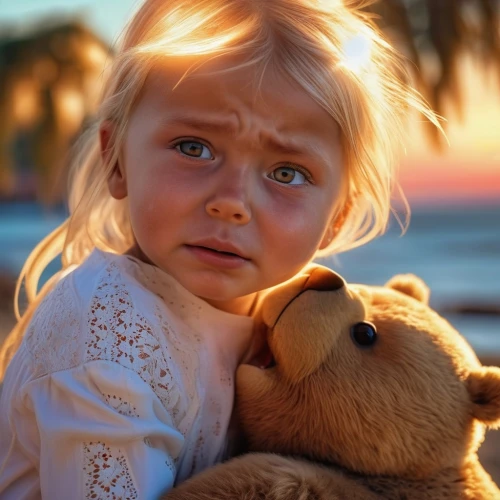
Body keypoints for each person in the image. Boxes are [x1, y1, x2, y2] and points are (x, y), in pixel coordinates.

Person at [0, 0, 440, 498]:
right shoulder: (105, 336)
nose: (232, 203)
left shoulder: (291, 330)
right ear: (116, 160)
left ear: (335, 219)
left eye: (287, 173)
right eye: (194, 147)